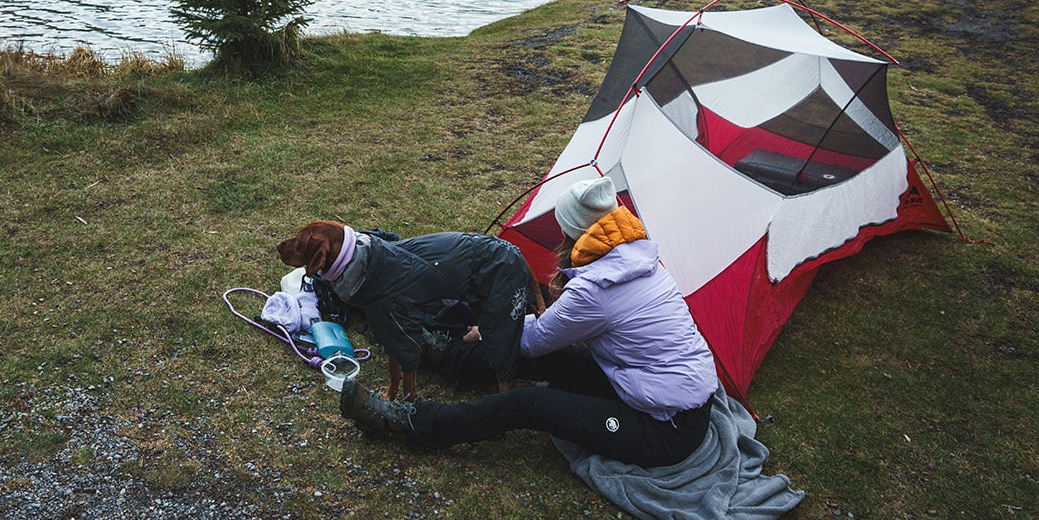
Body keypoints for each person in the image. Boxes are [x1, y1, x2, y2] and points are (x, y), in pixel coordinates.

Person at [331, 177, 719, 468]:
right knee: (550, 358)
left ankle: (409, 422)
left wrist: (493, 327)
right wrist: (496, 329)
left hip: (665, 427)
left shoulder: (595, 291)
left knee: (527, 401)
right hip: (644, 383)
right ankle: (442, 353)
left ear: (570, 230)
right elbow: (542, 338)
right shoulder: (640, 256)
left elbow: (531, 340)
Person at [273, 217, 538, 391]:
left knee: (500, 341)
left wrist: (407, 394)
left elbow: (403, 341)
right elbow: (389, 333)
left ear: (320, 256)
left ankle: (506, 397)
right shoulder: (367, 275)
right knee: (396, 328)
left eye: (299, 244)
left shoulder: (375, 280)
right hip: (473, 263)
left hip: (498, 264)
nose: (287, 246)